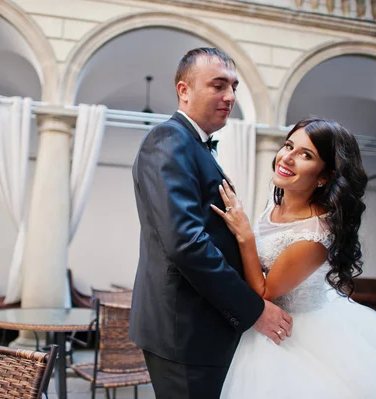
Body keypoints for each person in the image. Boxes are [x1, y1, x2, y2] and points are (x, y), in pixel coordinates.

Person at [213, 117, 376, 398]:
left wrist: (244, 235)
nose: (288, 158)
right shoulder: (276, 202)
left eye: (306, 155)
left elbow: (264, 291)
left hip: (294, 331)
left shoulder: (315, 232)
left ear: (324, 176)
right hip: (261, 322)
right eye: (288, 146)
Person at [129, 47, 293, 398]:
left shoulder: (193, 146)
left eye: (233, 86)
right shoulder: (169, 141)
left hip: (200, 326)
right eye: (218, 85)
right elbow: (186, 243)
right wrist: (253, 310)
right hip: (186, 330)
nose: (230, 96)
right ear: (183, 91)